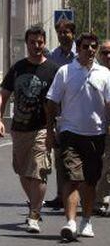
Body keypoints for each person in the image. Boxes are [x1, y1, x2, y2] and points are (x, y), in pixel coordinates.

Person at [46, 33, 110, 241]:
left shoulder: (105, 74)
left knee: (90, 182)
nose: (89, 50)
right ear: (78, 48)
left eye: (93, 47)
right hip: (70, 133)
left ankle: (86, 220)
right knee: (73, 179)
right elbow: (52, 102)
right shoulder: (65, 72)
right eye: (85, 46)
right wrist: (50, 130)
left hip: (96, 135)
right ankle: (71, 222)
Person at [0, 26, 59, 233]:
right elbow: (3, 95)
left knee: (39, 171)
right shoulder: (18, 68)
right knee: (23, 172)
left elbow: (60, 100)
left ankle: (34, 214)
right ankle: (34, 204)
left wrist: (55, 128)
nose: (37, 46)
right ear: (27, 43)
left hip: (42, 127)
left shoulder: (53, 70)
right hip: (19, 128)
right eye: (33, 42)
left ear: (45, 43)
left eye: (40, 42)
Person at [44, 20, 77, 210]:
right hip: (59, 115)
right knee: (59, 157)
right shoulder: (53, 56)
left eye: (67, 32)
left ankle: (82, 194)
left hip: (77, 113)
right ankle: (60, 195)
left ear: (73, 34)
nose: (63, 35)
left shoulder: (80, 54)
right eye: (60, 32)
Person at [95, 40, 110, 216]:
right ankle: (100, 200)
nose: (108, 56)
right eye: (104, 52)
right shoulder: (96, 74)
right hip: (101, 129)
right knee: (103, 165)